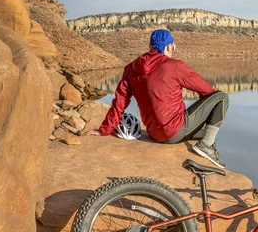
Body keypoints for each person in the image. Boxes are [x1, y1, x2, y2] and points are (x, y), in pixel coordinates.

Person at [86, 29, 229, 168]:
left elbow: (120, 101)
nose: (172, 50)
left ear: (150, 47)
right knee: (221, 97)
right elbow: (208, 91)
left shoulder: (131, 69)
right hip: (174, 130)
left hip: (154, 133)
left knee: (205, 133)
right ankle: (206, 147)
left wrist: (104, 130)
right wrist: (203, 113)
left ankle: (206, 143)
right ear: (168, 47)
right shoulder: (174, 66)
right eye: (172, 46)